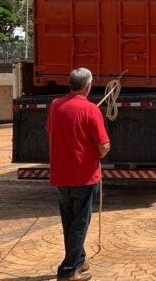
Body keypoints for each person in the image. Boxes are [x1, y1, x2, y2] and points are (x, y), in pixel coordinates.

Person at [47, 68, 110, 281]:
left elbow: (51, 131)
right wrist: (98, 153)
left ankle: (79, 260)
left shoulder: (55, 106)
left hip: (60, 174)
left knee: (70, 221)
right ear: (88, 86)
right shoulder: (91, 109)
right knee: (80, 223)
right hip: (83, 175)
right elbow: (104, 146)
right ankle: (68, 270)